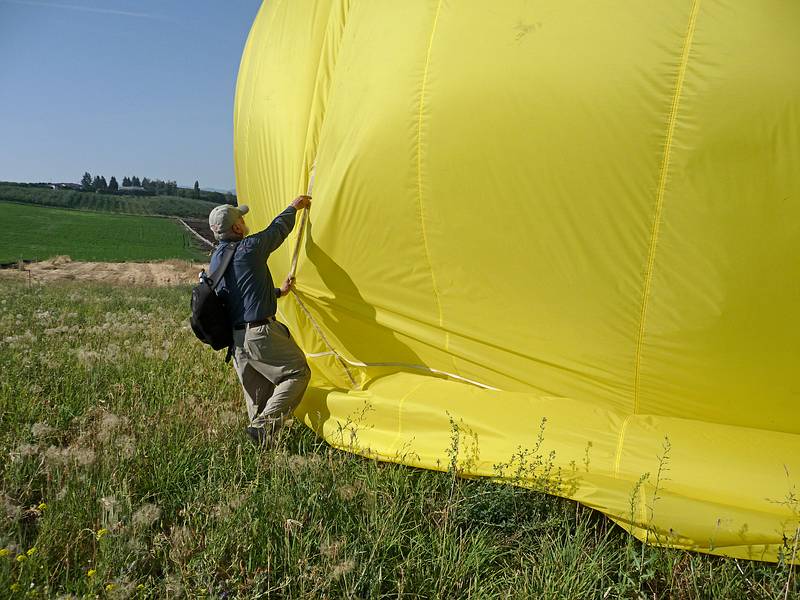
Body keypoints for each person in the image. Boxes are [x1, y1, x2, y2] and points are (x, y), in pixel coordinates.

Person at [207, 196, 312, 446]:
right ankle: (263, 428)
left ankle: (263, 455)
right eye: (241, 219)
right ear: (236, 227)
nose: (244, 221)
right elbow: (276, 231)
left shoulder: (216, 260)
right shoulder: (249, 248)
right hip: (259, 335)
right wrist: (293, 207)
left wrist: (277, 292)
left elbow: (238, 294)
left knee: (258, 398)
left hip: (237, 341)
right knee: (298, 372)